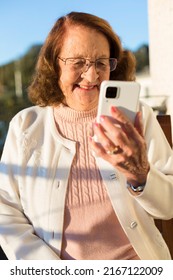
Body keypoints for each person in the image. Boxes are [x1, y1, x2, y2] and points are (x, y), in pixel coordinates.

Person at [0, 11, 173, 260]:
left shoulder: (138, 116)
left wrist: (141, 175)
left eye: (101, 62)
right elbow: (5, 210)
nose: (92, 76)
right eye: (78, 62)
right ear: (54, 63)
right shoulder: (25, 125)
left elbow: (168, 207)